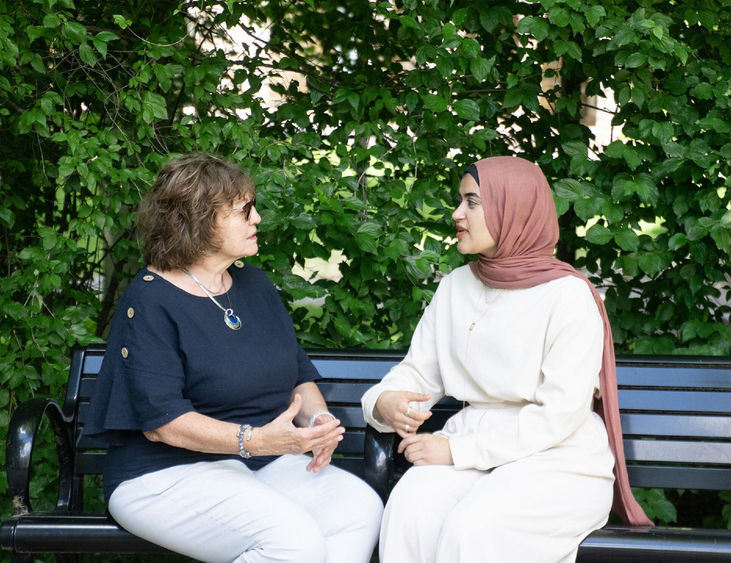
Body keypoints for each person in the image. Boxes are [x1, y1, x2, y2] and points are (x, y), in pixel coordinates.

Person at [84, 153, 383, 563]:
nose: (257, 218)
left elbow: (296, 372)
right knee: (294, 542)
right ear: (198, 220)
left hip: (258, 464)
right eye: (244, 211)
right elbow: (163, 425)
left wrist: (316, 421)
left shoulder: (254, 286)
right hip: (162, 474)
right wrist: (255, 441)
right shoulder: (151, 300)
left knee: (359, 508)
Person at [361, 156, 652, 563]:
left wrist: (457, 452)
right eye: (460, 200)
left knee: (474, 530)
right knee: (409, 510)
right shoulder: (455, 287)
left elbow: (559, 415)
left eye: (472, 202)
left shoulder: (567, 296)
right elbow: (417, 372)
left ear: (512, 208)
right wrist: (384, 401)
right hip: (470, 446)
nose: (456, 213)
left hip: (557, 458)